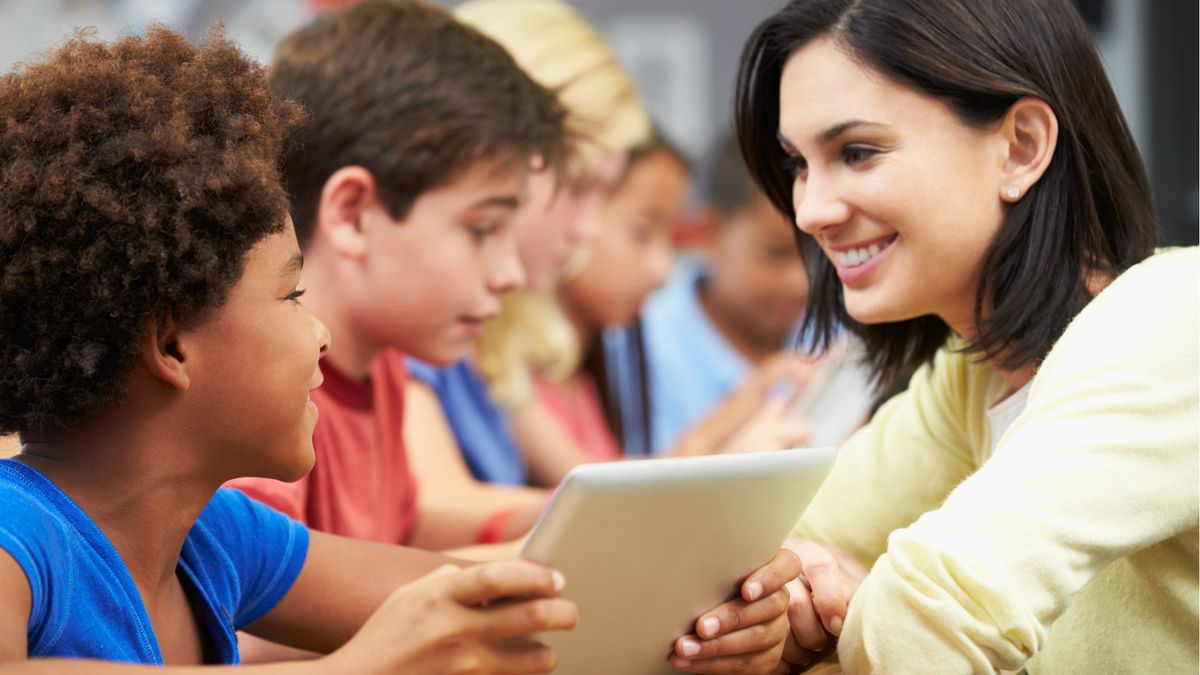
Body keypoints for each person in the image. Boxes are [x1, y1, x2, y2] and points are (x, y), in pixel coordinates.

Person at [0, 26, 578, 671]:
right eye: (292, 294)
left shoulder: (219, 536)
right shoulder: (14, 531)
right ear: (170, 342)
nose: (320, 331)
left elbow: (488, 605)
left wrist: (697, 601)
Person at [733, 0, 1198, 672]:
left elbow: (920, 620)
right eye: (798, 164)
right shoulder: (973, 372)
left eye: (857, 152)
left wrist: (850, 616)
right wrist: (797, 586)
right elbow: (772, 551)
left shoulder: (1174, 320)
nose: (810, 211)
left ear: (1022, 148)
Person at [225, 0, 559, 551]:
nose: (510, 274)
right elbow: (251, 615)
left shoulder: (382, 366)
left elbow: (397, 533)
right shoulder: (260, 385)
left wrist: (562, 520)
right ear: (352, 214)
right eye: (481, 228)